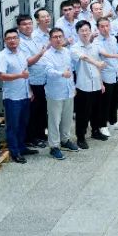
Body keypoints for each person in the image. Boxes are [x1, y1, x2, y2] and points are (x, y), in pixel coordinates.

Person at [41, 28, 80, 160]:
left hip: (68, 91)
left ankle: (65, 140)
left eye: (60, 37)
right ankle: (54, 146)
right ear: (50, 40)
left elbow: (72, 71)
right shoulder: (47, 55)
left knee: (67, 118)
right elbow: (48, 71)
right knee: (54, 120)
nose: (58, 39)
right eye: (55, 37)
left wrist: (73, 87)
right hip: (55, 93)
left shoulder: (67, 52)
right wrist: (61, 74)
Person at [0, 28, 34, 163]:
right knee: (13, 126)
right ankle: (15, 152)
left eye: (14, 38)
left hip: (24, 94)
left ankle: (22, 147)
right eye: (9, 38)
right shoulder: (2, 56)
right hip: (12, 98)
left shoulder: (21, 53)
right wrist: (19, 76)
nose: (12, 40)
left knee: (23, 123)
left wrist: (30, 90)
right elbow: (1, 76)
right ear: (5, 40)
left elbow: (26, 73)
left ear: (18, 40)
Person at [72, 20, 107, 148]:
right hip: (83, 85)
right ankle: (80, 137)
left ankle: (95, 131)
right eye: (82, 31)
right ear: (77, 32)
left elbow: (98, 66)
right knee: (82, 113)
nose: (85, 33)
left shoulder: (94, 46)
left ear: (90, 31)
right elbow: (84, 58)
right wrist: (97, 63)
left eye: (87, 30)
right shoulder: (75, 48)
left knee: (96, 110)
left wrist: (101, 83)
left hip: (96, 83)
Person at [20, 10, 50, 149]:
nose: (28, 26)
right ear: (19, 27)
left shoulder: (33, 37)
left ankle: (40, 134)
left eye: (29, 23)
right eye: (24, 24)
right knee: (33, 111)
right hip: (32, 81)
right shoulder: (21, 42)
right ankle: (31, 138)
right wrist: (41, 53)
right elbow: (28, 62)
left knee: (42, 109)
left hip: (42, 78)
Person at [95, 17, 118, 135]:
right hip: (105, 75)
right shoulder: (97, 42)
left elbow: (117, 52)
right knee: (105, 102)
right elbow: (105, 54)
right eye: (102, 26)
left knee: (115, 100)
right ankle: (102, 125)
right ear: (98, 28)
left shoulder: (113, 39)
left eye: (107, 26)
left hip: (116, 74)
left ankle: (113, 122)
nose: (105, 28)